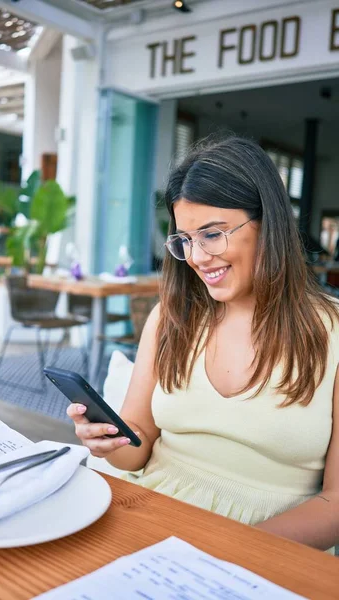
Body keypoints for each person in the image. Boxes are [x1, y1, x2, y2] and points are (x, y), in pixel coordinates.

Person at [67, 135, 339, 553]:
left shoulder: (332, 332)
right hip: (148, 513)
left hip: (266, 548)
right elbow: (136, 450)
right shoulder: (172, 318)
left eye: (211, 234)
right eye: (185, 240)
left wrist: (223, 550)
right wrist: (107, 441)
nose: (196, 257)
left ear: (269, 222)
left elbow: (334, 505)